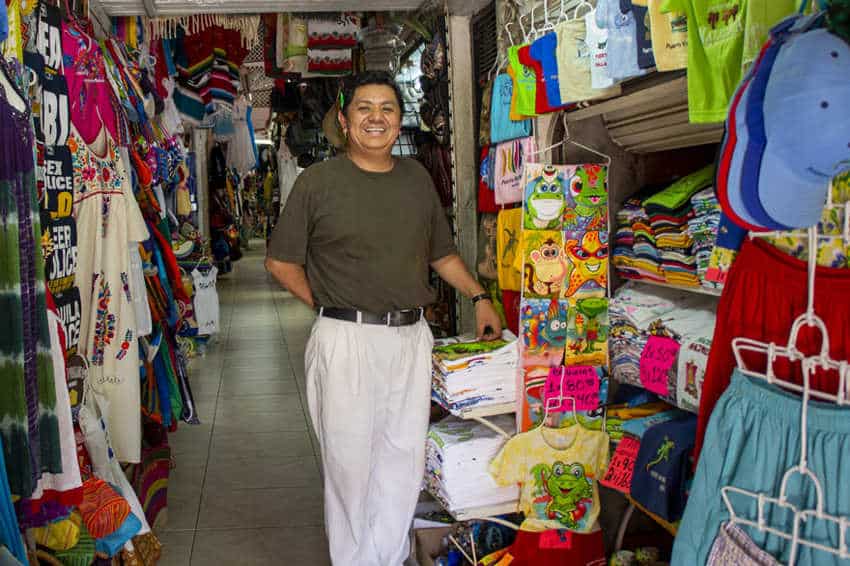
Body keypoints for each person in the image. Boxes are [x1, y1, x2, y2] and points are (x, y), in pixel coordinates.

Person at [265, 71, 503, 566]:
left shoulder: (415, 178)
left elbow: (441, 253)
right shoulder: (318, 182)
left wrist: (479, 295)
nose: (377, 117)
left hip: (411, 339)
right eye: (365, 108)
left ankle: (390, 558)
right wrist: (328, 304)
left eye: (388, 109)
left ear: (398, 122)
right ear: (346, 121)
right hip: (345, 340)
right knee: (351, 466)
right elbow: (281, 261)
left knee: (401, 462)